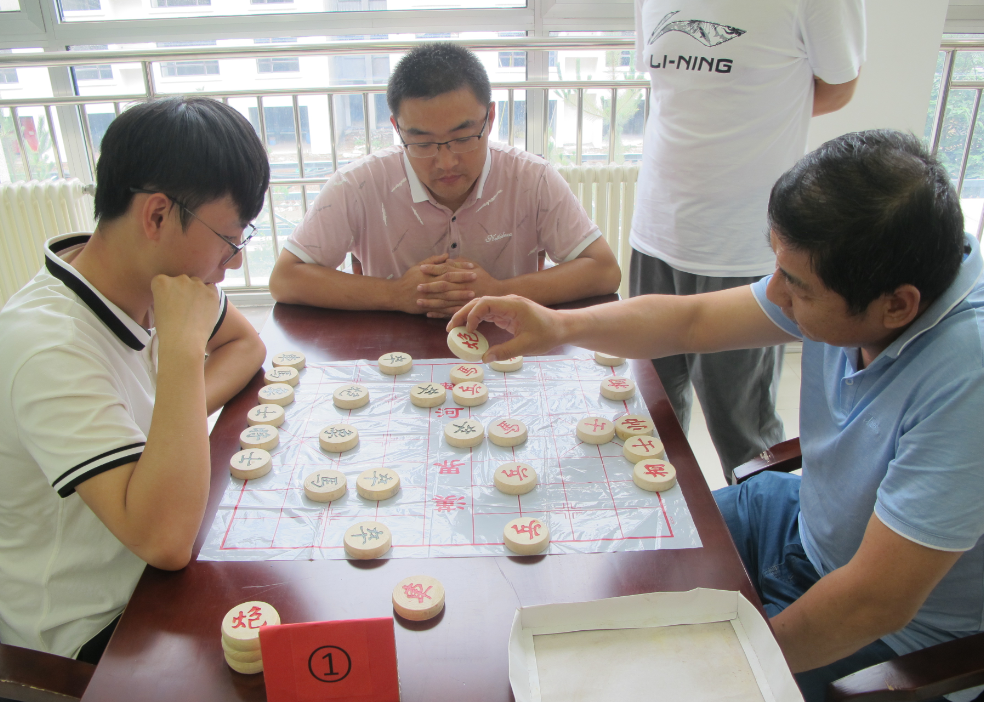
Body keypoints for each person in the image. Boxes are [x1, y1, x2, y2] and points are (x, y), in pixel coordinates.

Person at [447, 131, 984, 701]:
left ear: (897, 305)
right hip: (795, 520)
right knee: (619, 563)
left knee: (653, 683)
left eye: (797, 288)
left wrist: (708, 669)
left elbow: (874, 602)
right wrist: (559, 325)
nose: (776, 294)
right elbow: (693, 321)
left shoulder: (966, 379)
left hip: (893, 633)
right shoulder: (869, 271)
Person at [0, 97, 269, 662]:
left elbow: (245, 345)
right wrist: (181, 354)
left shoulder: (147, 276)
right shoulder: (48, 346)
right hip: (94, 627)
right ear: (157, 216)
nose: (236, 263)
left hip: (155, 561)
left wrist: (171, 426)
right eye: (230, 240)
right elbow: (165, 542)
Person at [630, 0, 866, 480]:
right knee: (651, 418)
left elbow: (838, 87)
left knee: (743, 436)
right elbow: (673, 89)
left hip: (742, 243)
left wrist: (753, 114)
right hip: (655, 230)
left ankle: (759, 528)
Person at [269, 42, 621, 317]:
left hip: (506, 351)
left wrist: (498, 291)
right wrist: (394, 294)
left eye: (463, 137)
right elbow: (285, 278)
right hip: (393, 355)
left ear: (490, 118)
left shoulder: (533, 178)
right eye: (422, 143)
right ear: (397, 129)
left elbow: (604, 270)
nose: (446, 162)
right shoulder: (358, 185)